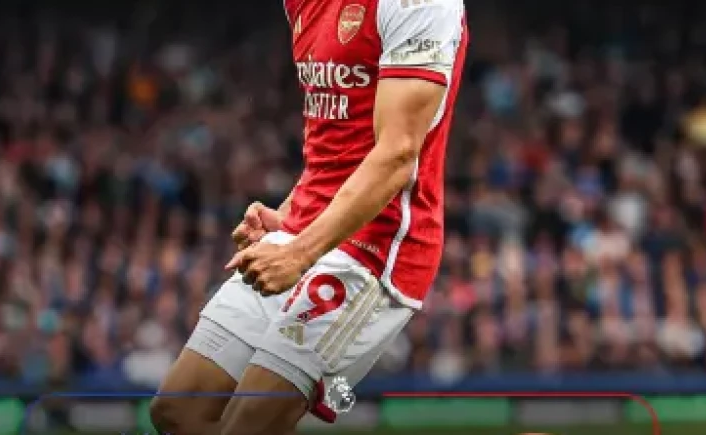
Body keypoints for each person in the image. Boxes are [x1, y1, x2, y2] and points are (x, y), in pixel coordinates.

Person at [150, 0, 468, 433]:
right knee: (177, 411)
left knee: (250, 426)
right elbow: (335, 140)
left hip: (376, 248)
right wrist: (289, 214)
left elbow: (397, 155)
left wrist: (299, 253)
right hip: (306, 229)